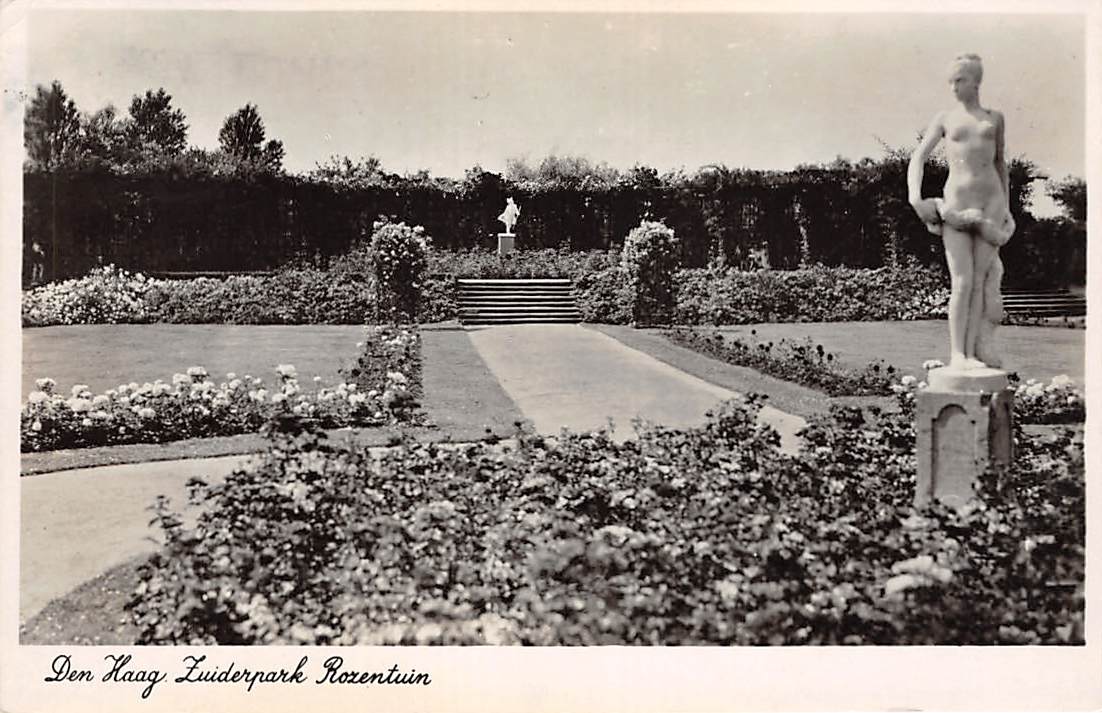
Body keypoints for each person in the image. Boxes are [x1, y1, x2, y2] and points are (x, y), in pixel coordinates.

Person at [908, 53, 1014, 370]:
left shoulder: (994, 118)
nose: (954, 87)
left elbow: (1000, 164)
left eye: (960, 80)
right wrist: (916, 198)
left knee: (980, 281)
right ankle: (958, 354)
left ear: (976, 81)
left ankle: (973, 355)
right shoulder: (945, 117)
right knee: (962, 282)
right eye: (951, 81)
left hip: (991, 204)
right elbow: (918, 158)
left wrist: (1006, 207)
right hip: (956, 204)